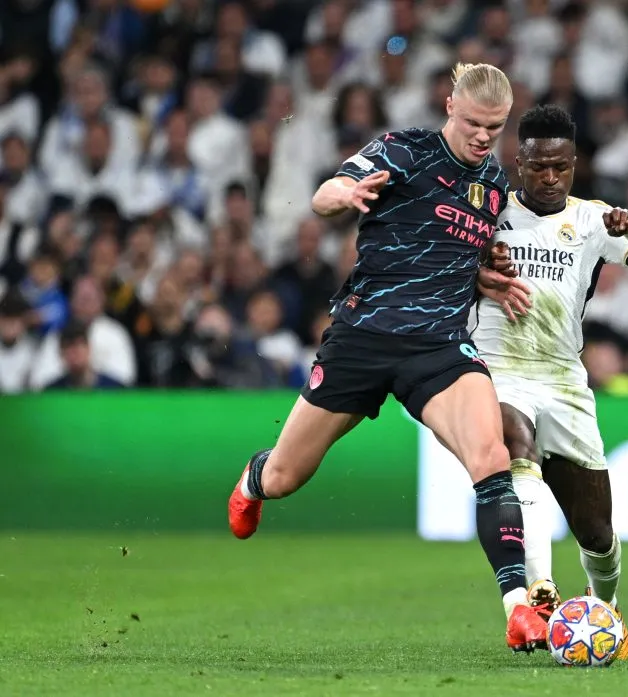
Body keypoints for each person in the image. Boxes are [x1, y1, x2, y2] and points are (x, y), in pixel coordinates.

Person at [227, 63, 550, 653]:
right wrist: (346, 195)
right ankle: (255, 476)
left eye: (495, 127)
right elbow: (325, 194)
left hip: (439, 346)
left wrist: (484, 277)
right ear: (450, 106)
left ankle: (518, 609)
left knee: (491, 456)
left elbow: (452, 251)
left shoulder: (494, 185)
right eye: (474, 123)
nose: (483, 137)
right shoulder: (404, 150)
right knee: (286, 477)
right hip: (364, 336)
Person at [473, 104, 628, 661]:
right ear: (519, 163)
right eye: (538, 166)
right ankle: (540, 592)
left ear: (574, 164)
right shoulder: (489, 211)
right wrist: (478, 272)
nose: (549, 177)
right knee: (515, 448)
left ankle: (604, 608)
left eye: (560, 167)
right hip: (498, 367)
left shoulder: (593, 219)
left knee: (597, 533)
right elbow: (445, 271)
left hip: (563, 379)